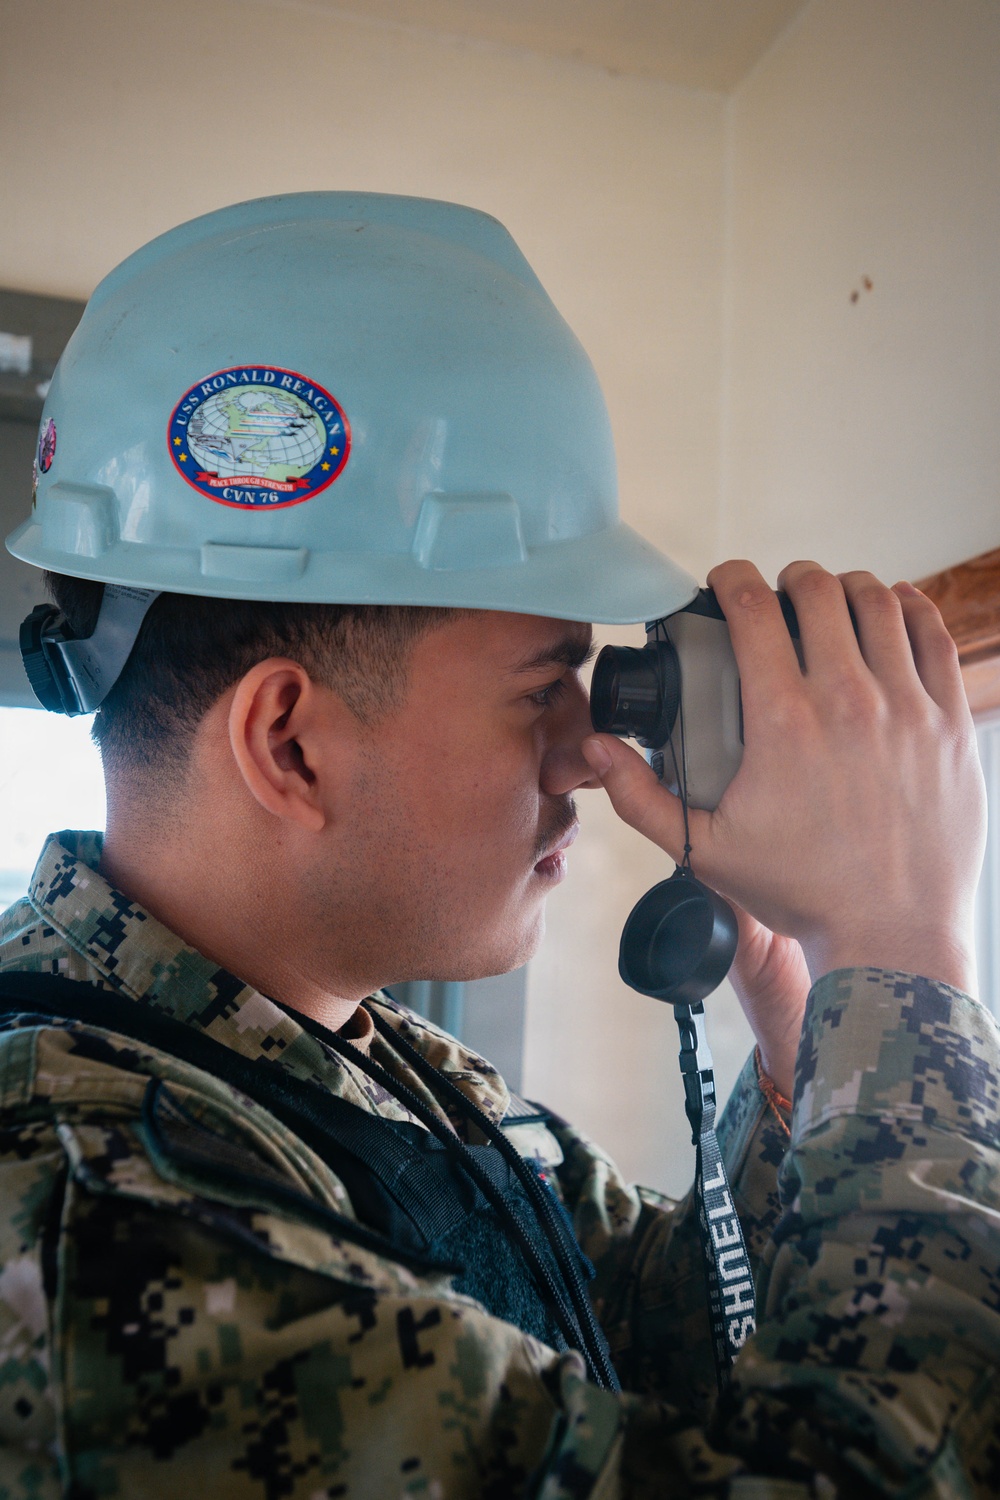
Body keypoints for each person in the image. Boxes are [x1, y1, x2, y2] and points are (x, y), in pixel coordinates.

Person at [0, 194, 994, 1498]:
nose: (588, 751)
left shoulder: (372, 1064)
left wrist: (806, 1015)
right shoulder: (100, 1220)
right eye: (541, 690)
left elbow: (669, 1336)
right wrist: (906, 945)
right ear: (289, 744)